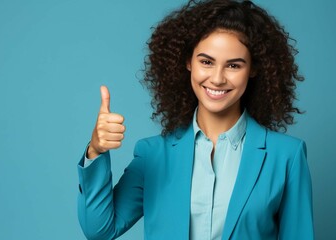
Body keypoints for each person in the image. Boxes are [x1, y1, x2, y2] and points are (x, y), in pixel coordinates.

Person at [77, 0, 314, 239]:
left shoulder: (286, 156)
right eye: (206, 62)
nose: (218, 78)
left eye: (233, 65)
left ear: (253, 69)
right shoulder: (153, 154)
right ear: (188, 61)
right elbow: (100, 230)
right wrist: (96, 150)